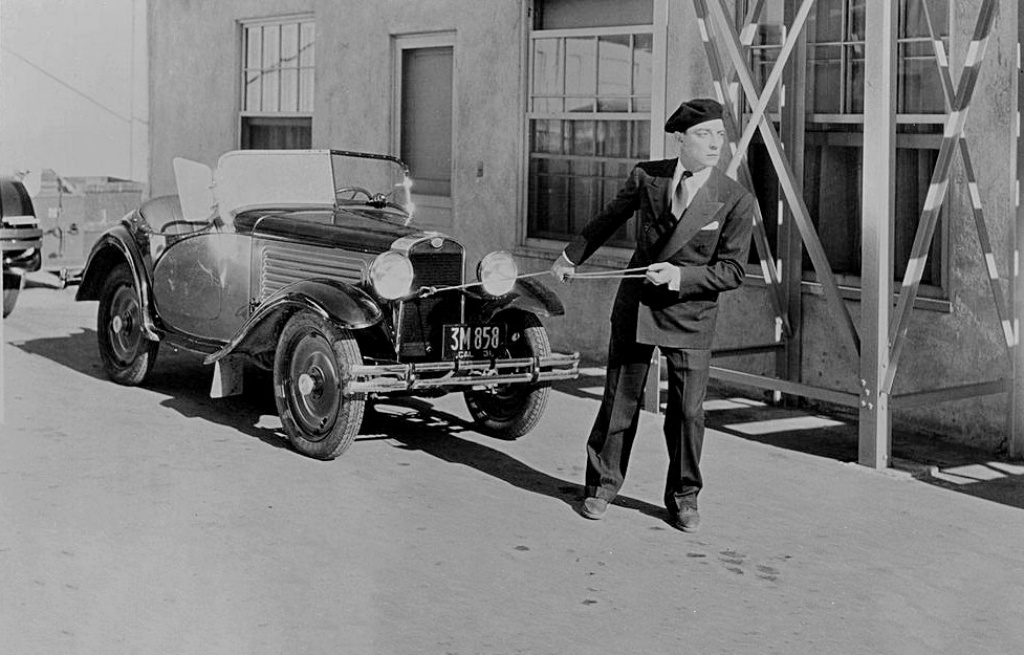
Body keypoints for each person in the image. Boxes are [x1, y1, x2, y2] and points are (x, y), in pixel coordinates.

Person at [550, 98, 754, 532]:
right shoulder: (649, 176)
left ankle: (684, 498)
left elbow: (733, 271)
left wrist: (681, 276)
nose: (716, 143)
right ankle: (602, 487)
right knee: (619, 400)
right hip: (638, 305)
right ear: (680, 139)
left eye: (720, 134)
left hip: (691, 315)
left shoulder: (735, 199)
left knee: (687, 413)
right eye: (704, 134)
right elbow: (608, 218)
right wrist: (571, 256)